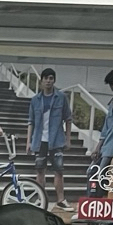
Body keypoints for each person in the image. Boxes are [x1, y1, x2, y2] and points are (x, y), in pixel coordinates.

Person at [27, 68, 74, 212]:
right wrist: (29, 141)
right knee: (40, 171)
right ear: (41, 80)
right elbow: (31, 122)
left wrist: (68, 139)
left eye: (51, 78)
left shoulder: (61, 97)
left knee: (58, 171)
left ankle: (61, 200)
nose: (48, 81)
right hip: (39, 140)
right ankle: (41, 199)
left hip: (56, 140)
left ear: (54, 80)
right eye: (46, 78)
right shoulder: (35, 100)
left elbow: (68, 119)